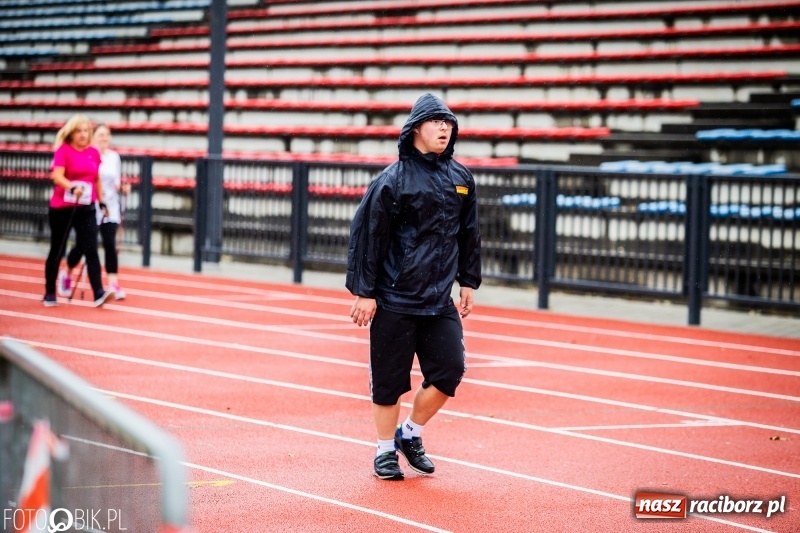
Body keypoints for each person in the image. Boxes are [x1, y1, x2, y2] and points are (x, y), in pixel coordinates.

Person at [346, 93, 482, 480]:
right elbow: (368, 236)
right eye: (437, 121)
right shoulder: (393, 180)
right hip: (395, 297)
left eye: (449, 122)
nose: (445, 128)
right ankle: (385, 449)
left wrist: (468, 281)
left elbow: (469, 233)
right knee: (389, 380)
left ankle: (411, 434)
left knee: (449, 371)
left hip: (438, 299)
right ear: (416, 128)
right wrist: (365, 291)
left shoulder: (462, 178)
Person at [43, 114, 114, 307]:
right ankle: (50, 291)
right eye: (78, 131)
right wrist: (72, 187)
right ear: (71, 133)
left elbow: (96, 178)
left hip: (86, 208)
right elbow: (57, 176)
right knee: (58, 249)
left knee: (91, 248)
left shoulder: (93, 152)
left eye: (86, 131)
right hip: (62, 208)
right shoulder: (63, 151)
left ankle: (98, 291)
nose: (83, 135)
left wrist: (102, 202)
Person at [58, 124, 128, 300]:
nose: (105, 138)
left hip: (110, 205)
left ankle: (113, 282)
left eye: (107, 134)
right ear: (93, 136)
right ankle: (66, 271)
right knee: (84, 245)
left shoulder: (114, 157)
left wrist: (123, 187)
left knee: (109, 242)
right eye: (101, 134)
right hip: (91, 205)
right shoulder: (90, 154)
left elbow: (116, 181)